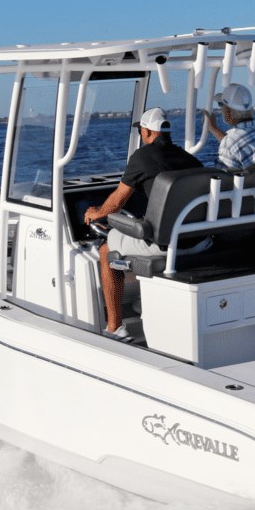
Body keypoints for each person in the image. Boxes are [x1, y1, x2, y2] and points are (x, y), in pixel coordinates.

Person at [83, 107, 203, 340]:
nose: (141, 135)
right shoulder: (191, 160)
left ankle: (115, 327)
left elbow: (116, 202)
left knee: (107, 250)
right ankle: (141, 302)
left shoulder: (141, 158)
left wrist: (96, 213)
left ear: (148, 132)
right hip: (198, 241)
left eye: (141, 131)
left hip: (168, 245)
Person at [202, 82, 255, 171]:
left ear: (228, 111)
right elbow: (240, 145)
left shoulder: (230, 144)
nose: (220, 109)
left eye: (220, 104)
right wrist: (214, 129)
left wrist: (212, 128)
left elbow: (220, 179)